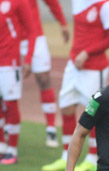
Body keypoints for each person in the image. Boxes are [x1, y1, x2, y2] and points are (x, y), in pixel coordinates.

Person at [41, 0, 109, 171]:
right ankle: (66, 156)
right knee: (67, 107)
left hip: (94, 67)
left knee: (93, 112)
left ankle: (92, 158)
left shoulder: (106, 6)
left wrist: (87, 52)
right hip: (74, 65)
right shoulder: (78, 1)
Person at [21, 0, 69, 148]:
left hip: (34, 36)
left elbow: (51, 2)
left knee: (43, 79)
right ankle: (5, 132)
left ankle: (50, 128)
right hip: (8, 37)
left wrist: (62, 22)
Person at [0, 0, 34, 164]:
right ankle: (1, 146)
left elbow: (32, 31)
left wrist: (28, 59)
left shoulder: (19, 2)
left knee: (10, 105)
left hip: (10, 63)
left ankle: (12, 149)